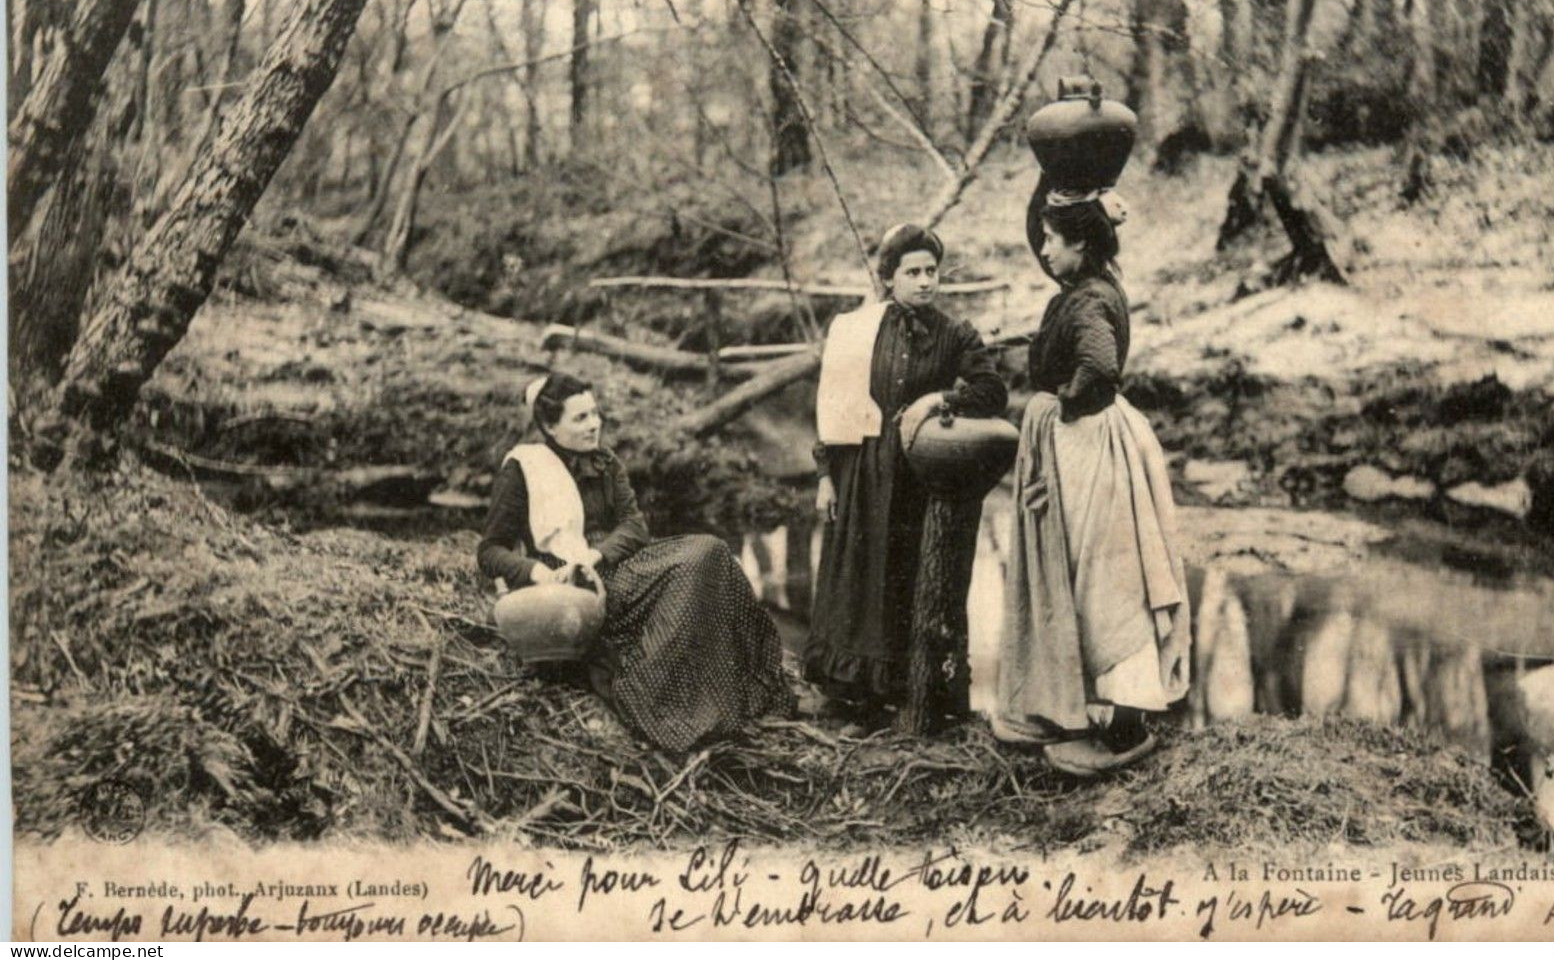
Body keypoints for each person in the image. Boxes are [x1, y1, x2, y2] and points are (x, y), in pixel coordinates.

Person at [478, 372, 793, 752]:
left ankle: (723, 691)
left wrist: (597, 554)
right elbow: (490, 551)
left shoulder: (604, 462)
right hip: (571, 586)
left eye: (595, 413)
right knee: (699, 559)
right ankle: (652, 695)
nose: (594, 424)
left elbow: (634, 525)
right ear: (549, 425)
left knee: (712, 554)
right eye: (580, 418)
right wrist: (536, 571)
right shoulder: (524, 469)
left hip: (614, 565)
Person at [995, 185, 1191, 776]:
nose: (1045, 250)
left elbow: (1101, 366)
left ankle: (1127, 727)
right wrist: (1048, 183)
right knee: (1088, 574)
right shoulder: (1088, 283)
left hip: (1092, 446)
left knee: (1108, 583)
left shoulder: (1088, 302)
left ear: (1080, 242)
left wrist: (1064, 405)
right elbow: (1044, 237)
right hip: (1087, 440)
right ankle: (1080, 708)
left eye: (1054, 240)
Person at [807, 224, 1007, 718]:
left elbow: (991, 391)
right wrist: (824, 476)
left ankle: (897, 695)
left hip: (913, 477)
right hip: (858, 472)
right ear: (889, 279)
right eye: (912, 272)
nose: (924, 281)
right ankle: (848, 696)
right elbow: (832, 405)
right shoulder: (859, 329)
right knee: (853, 576)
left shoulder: (953, 333)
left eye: (931, 271)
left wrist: (939, 398)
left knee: (899, 580)